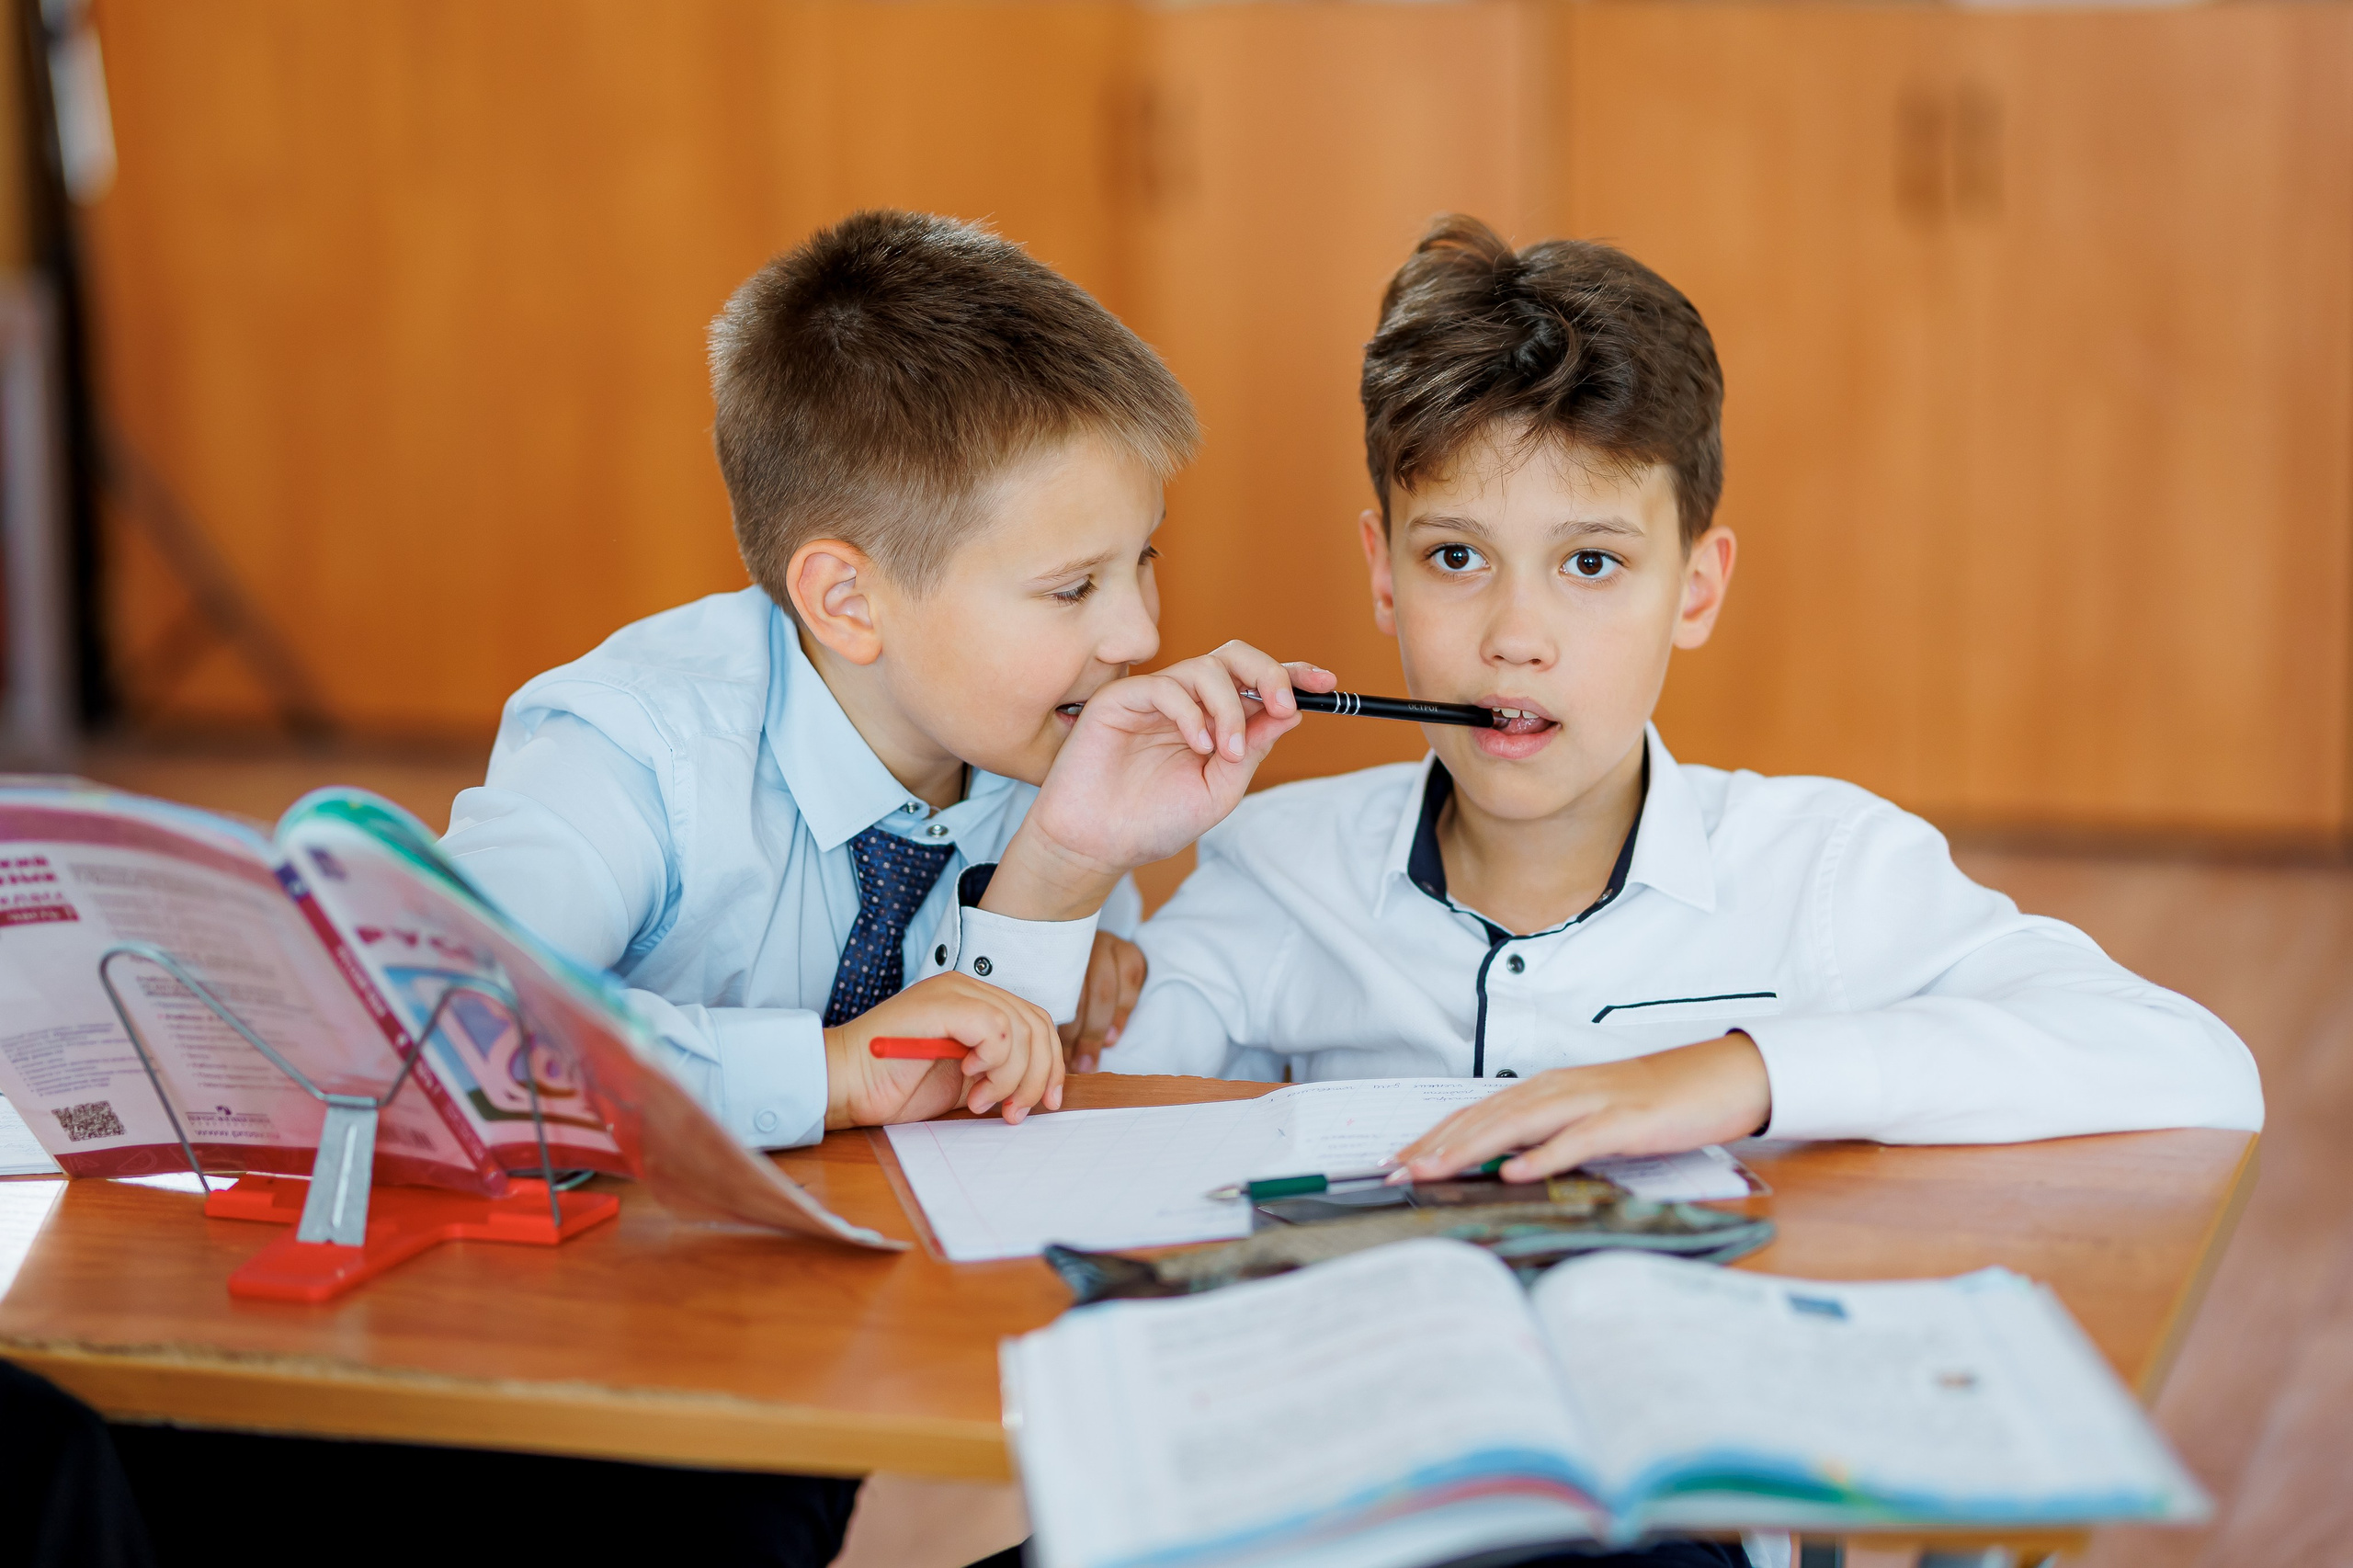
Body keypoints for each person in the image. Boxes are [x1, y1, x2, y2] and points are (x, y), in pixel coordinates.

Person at [434, 208, 1325, 1567]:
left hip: (785, 1371)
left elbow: (995, 1114)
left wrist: (1066, 867)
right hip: (516, 1384)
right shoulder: (633, 746)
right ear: (847, 600)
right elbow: (453, 1020)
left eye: (1143, 558)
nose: (1139, 632)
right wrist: (820, 1072)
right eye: (1073, 584)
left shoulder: (1042, 755)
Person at [1096, 214, 2265, 1201]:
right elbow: (1072, 1129)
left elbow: (2195, 1065)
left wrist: (1730, 1073)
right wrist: (1073, 856)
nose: (1515, 634)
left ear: (1694, 591)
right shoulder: (1276, 869)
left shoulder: (1822, 871)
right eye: (1455, 557)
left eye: (1591, 564)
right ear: (1381, 572)